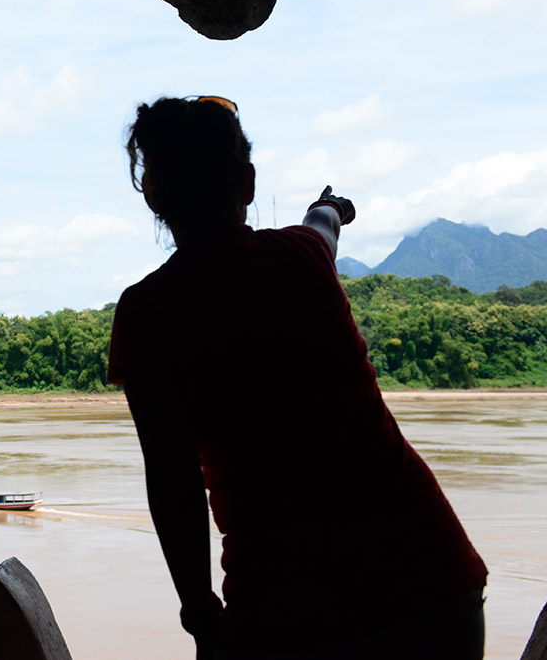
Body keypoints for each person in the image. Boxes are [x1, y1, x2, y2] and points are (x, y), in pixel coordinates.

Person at [108, 97, 487, 660]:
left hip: (285, 609)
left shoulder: (146, 314)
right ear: (248, 184)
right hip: (431, 577)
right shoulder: (304, 256)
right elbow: (323, 225)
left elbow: (174, 484)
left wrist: (200, 610)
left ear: (156, 198)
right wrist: (331, 204)